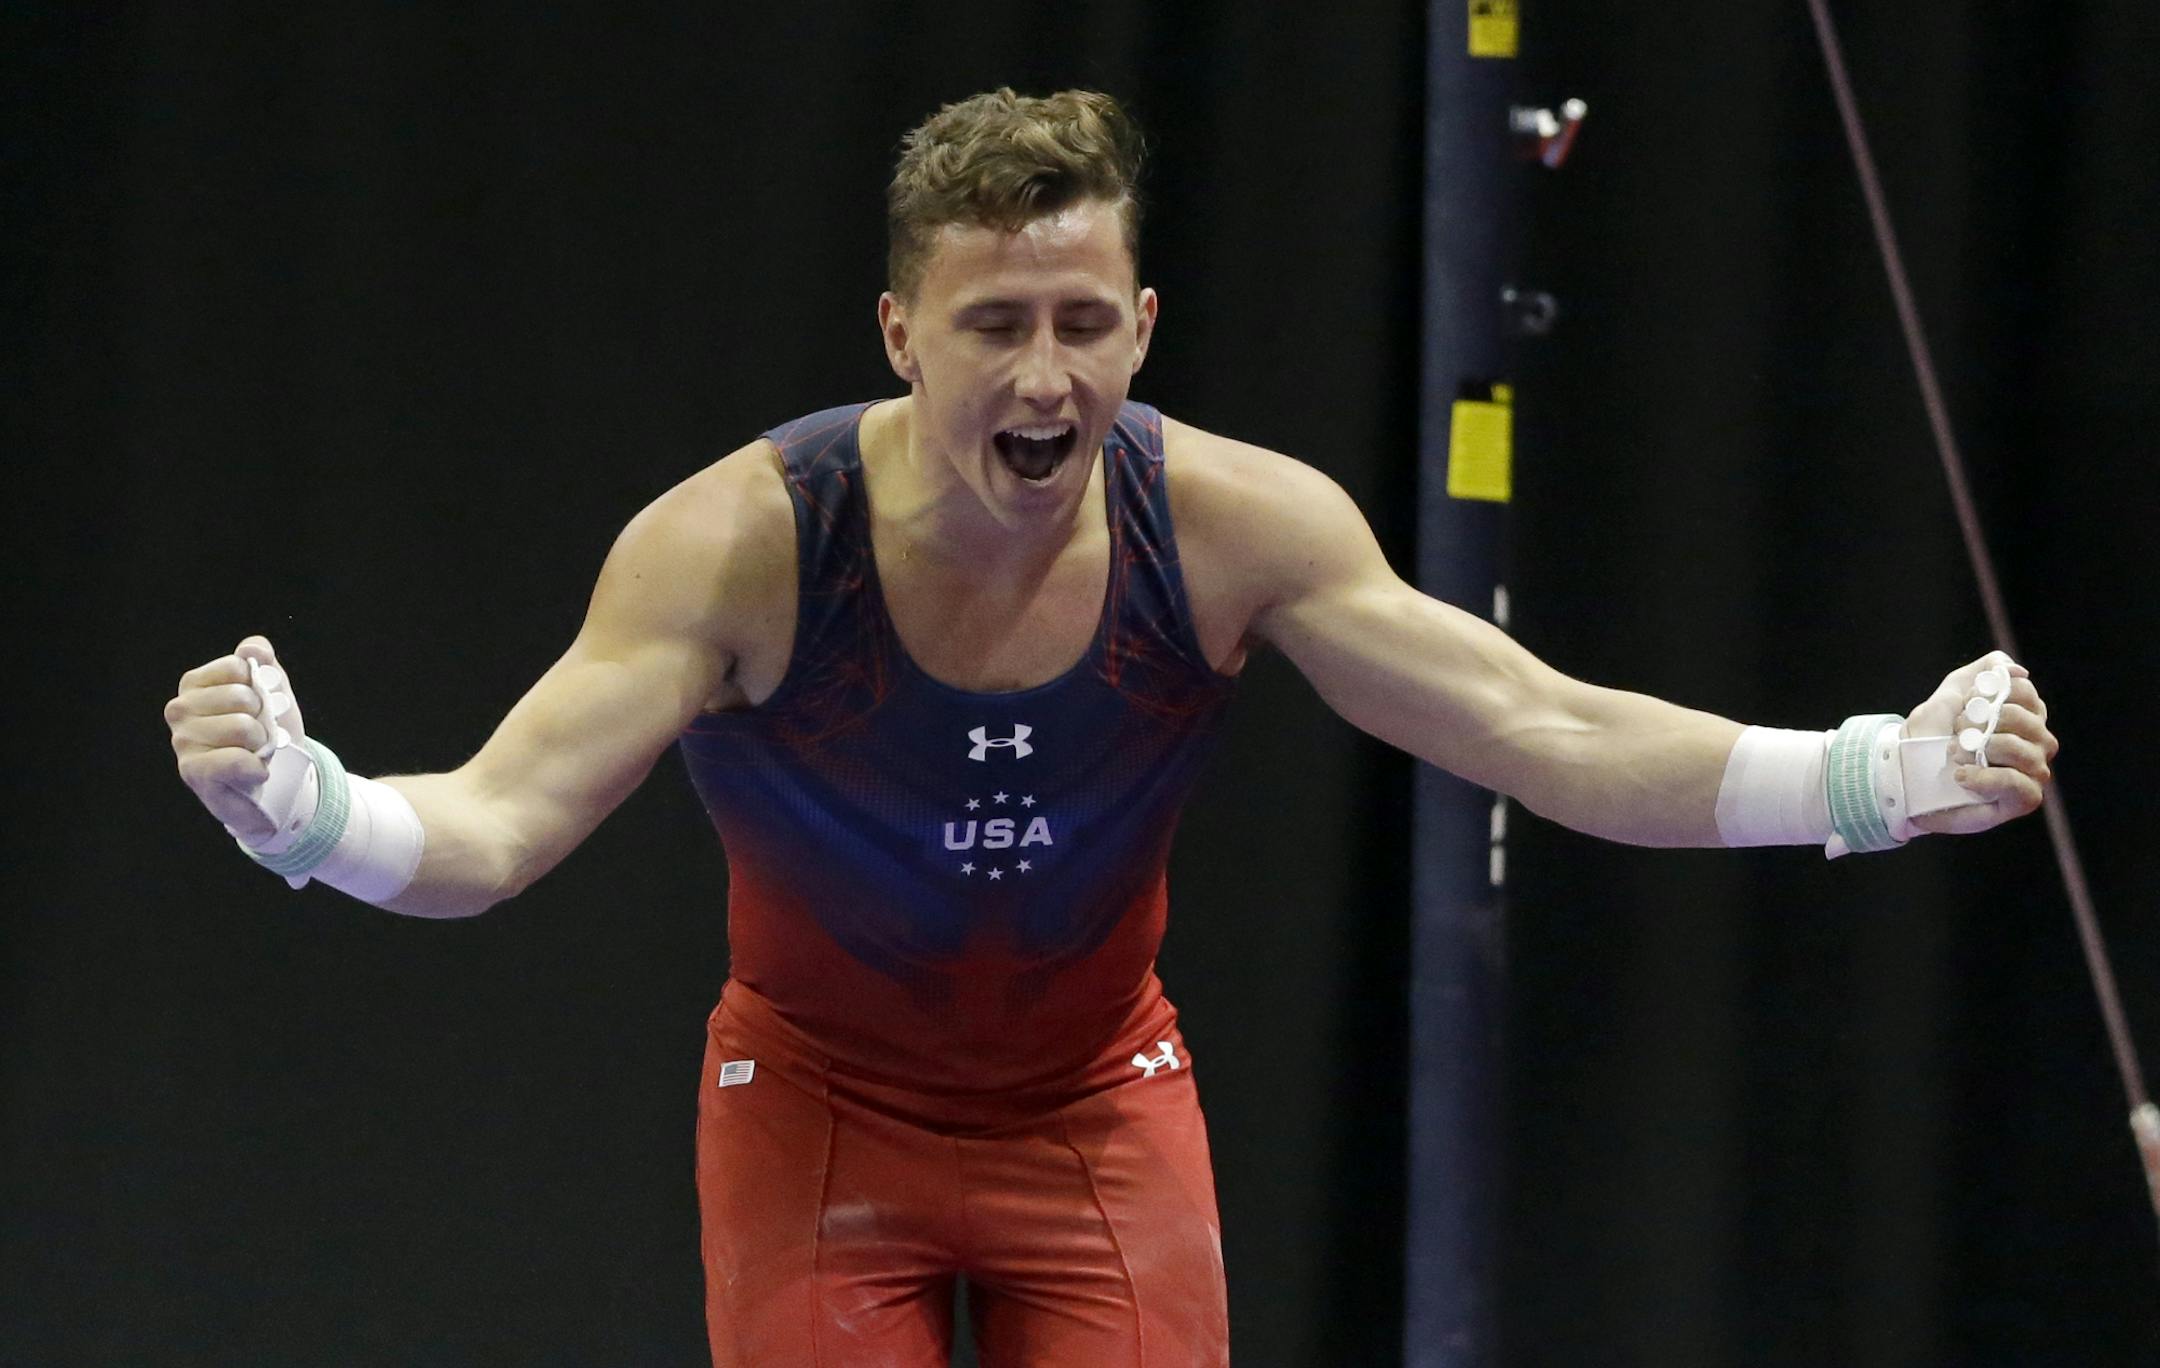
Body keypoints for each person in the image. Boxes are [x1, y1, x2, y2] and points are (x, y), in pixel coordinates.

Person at [162, 88, 2058, 1368]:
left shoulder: (1236, 529)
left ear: (1144, 325)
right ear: (903, 337)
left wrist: (1875, 775)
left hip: (1097, 1105)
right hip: (816, 1109)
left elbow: (1545, 735)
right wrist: (303, 809)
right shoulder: (738, 549)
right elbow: (493, 833)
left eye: (1084, 321)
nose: (1046, 376)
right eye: (996, 326)